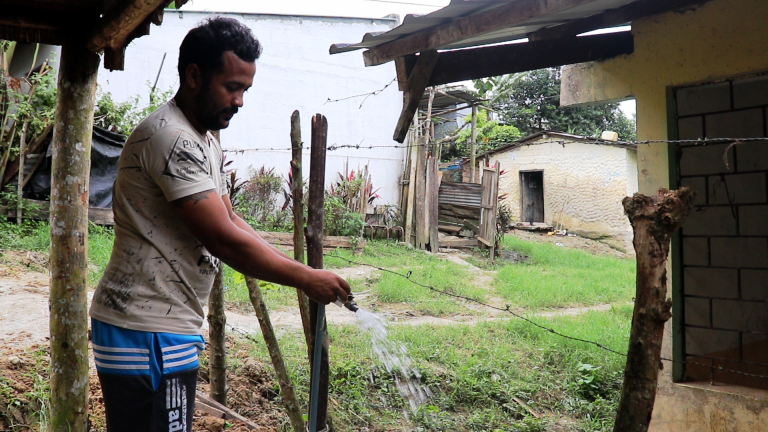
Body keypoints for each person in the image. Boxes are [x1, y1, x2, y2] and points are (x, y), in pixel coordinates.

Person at [88, 17, 350, 432]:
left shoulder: (203, 138)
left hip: (163, 328)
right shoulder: (171, 138)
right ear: (194, 76)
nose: (240, 101)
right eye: (232, 87)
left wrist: (308, 273)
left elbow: (230, 218)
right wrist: (304, 278)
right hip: (145, 332)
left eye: (245, 89)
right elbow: (223, 239)